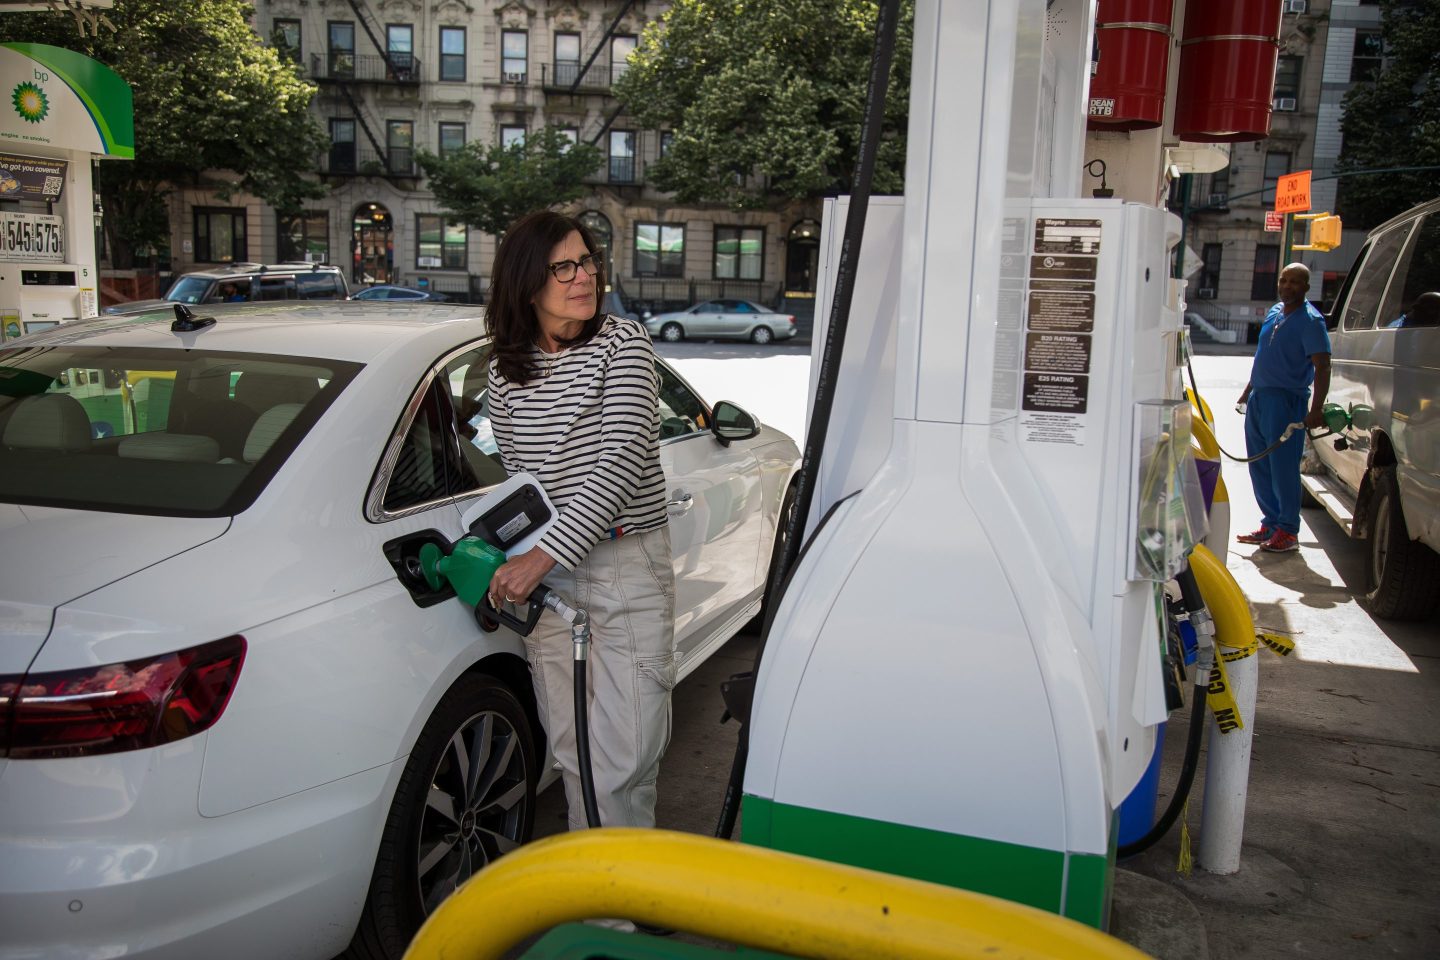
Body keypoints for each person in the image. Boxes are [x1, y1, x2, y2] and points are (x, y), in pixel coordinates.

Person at [483, 210, 676, 836]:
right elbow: (522, 487)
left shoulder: (623, 344)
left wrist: (539, 559)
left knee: (627, 753)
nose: (583, 276)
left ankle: (624, 893)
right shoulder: (504, 371)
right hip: (552, 583)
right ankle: (600, 902)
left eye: (587, 261)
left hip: (624, 568)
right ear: (526, 283)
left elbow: (618, 460)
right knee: (572, 753)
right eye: (563, 266)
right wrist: (509, 556)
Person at [1236, 262, 1331, 553]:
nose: (1287, 286)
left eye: (1294, 282)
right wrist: (1247, 391)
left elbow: (1323, 365)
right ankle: (1271, 523)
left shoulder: (1311, 321)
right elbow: (1263, 355)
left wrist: (1316, 409)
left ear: (1306, 287)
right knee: (1259, 464)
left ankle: (1288, 531)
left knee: (1283, 469)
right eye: (1284, 280)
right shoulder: (1275, 312)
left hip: (1286, 401)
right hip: (1260, 398)